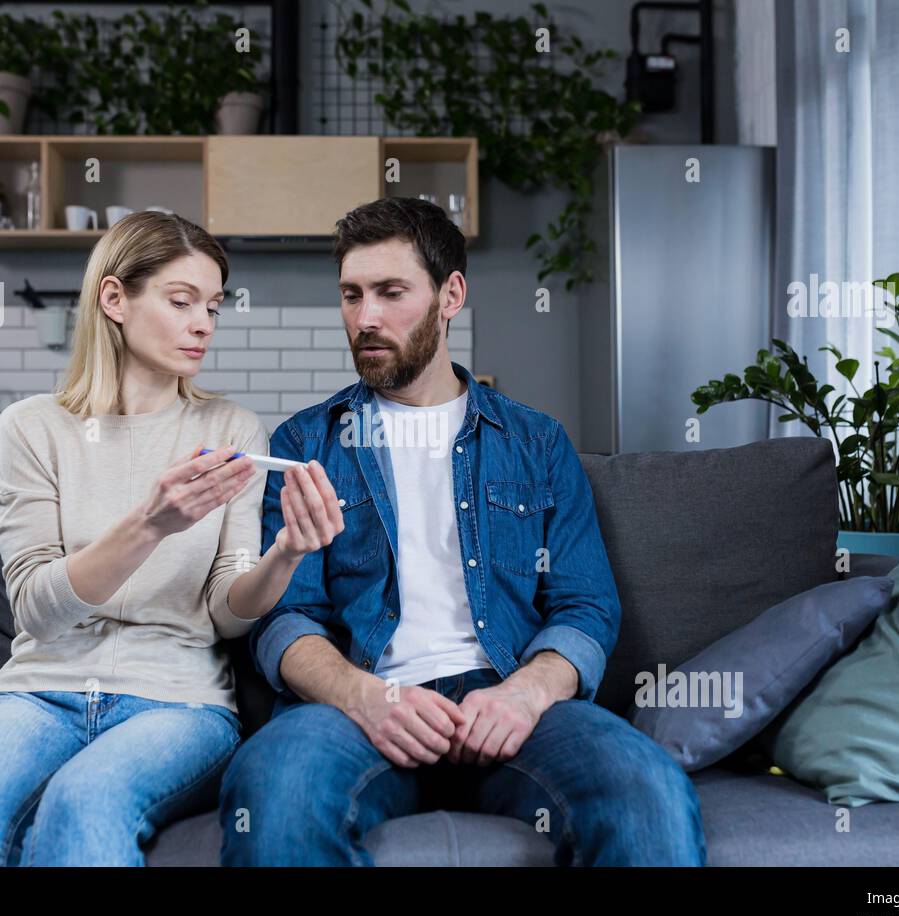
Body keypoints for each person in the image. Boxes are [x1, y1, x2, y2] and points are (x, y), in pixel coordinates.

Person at [218, 197, 706, 866]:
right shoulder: (306, 443)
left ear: (451, 294)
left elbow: (585, 605)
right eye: (352, 295)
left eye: (392, 292)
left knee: (646, 789)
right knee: (278, 794)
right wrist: (363, 696)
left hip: (508, 699)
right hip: (358, 709)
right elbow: (285, 618)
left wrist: (525, 694)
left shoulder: (536, 442)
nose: (365, 318)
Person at [0, 211, 340, 866]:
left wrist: (287, 553)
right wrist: (150, 524)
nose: (203, 324)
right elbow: (40, 608)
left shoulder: (233, 429)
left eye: (213, 306)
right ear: (114, 298)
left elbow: (227, 614)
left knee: (83, 804)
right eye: (182, 301)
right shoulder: (32, 428)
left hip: (178, 702)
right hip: (39, 691)